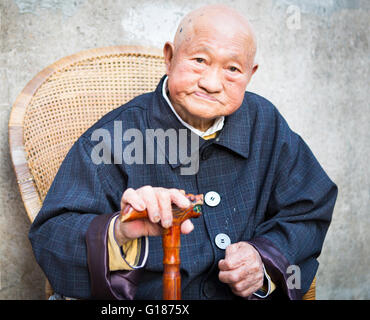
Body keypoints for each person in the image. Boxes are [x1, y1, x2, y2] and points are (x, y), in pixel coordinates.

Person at [29, 4, 337, 300]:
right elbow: (51, 237)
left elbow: (309, 207)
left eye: (232, 68)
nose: (212, 83)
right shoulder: (113, 138)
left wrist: (264, 256)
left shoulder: (265, 123)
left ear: (250, 73)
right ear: (170, 57)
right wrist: (119, 232)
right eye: (200, 61)